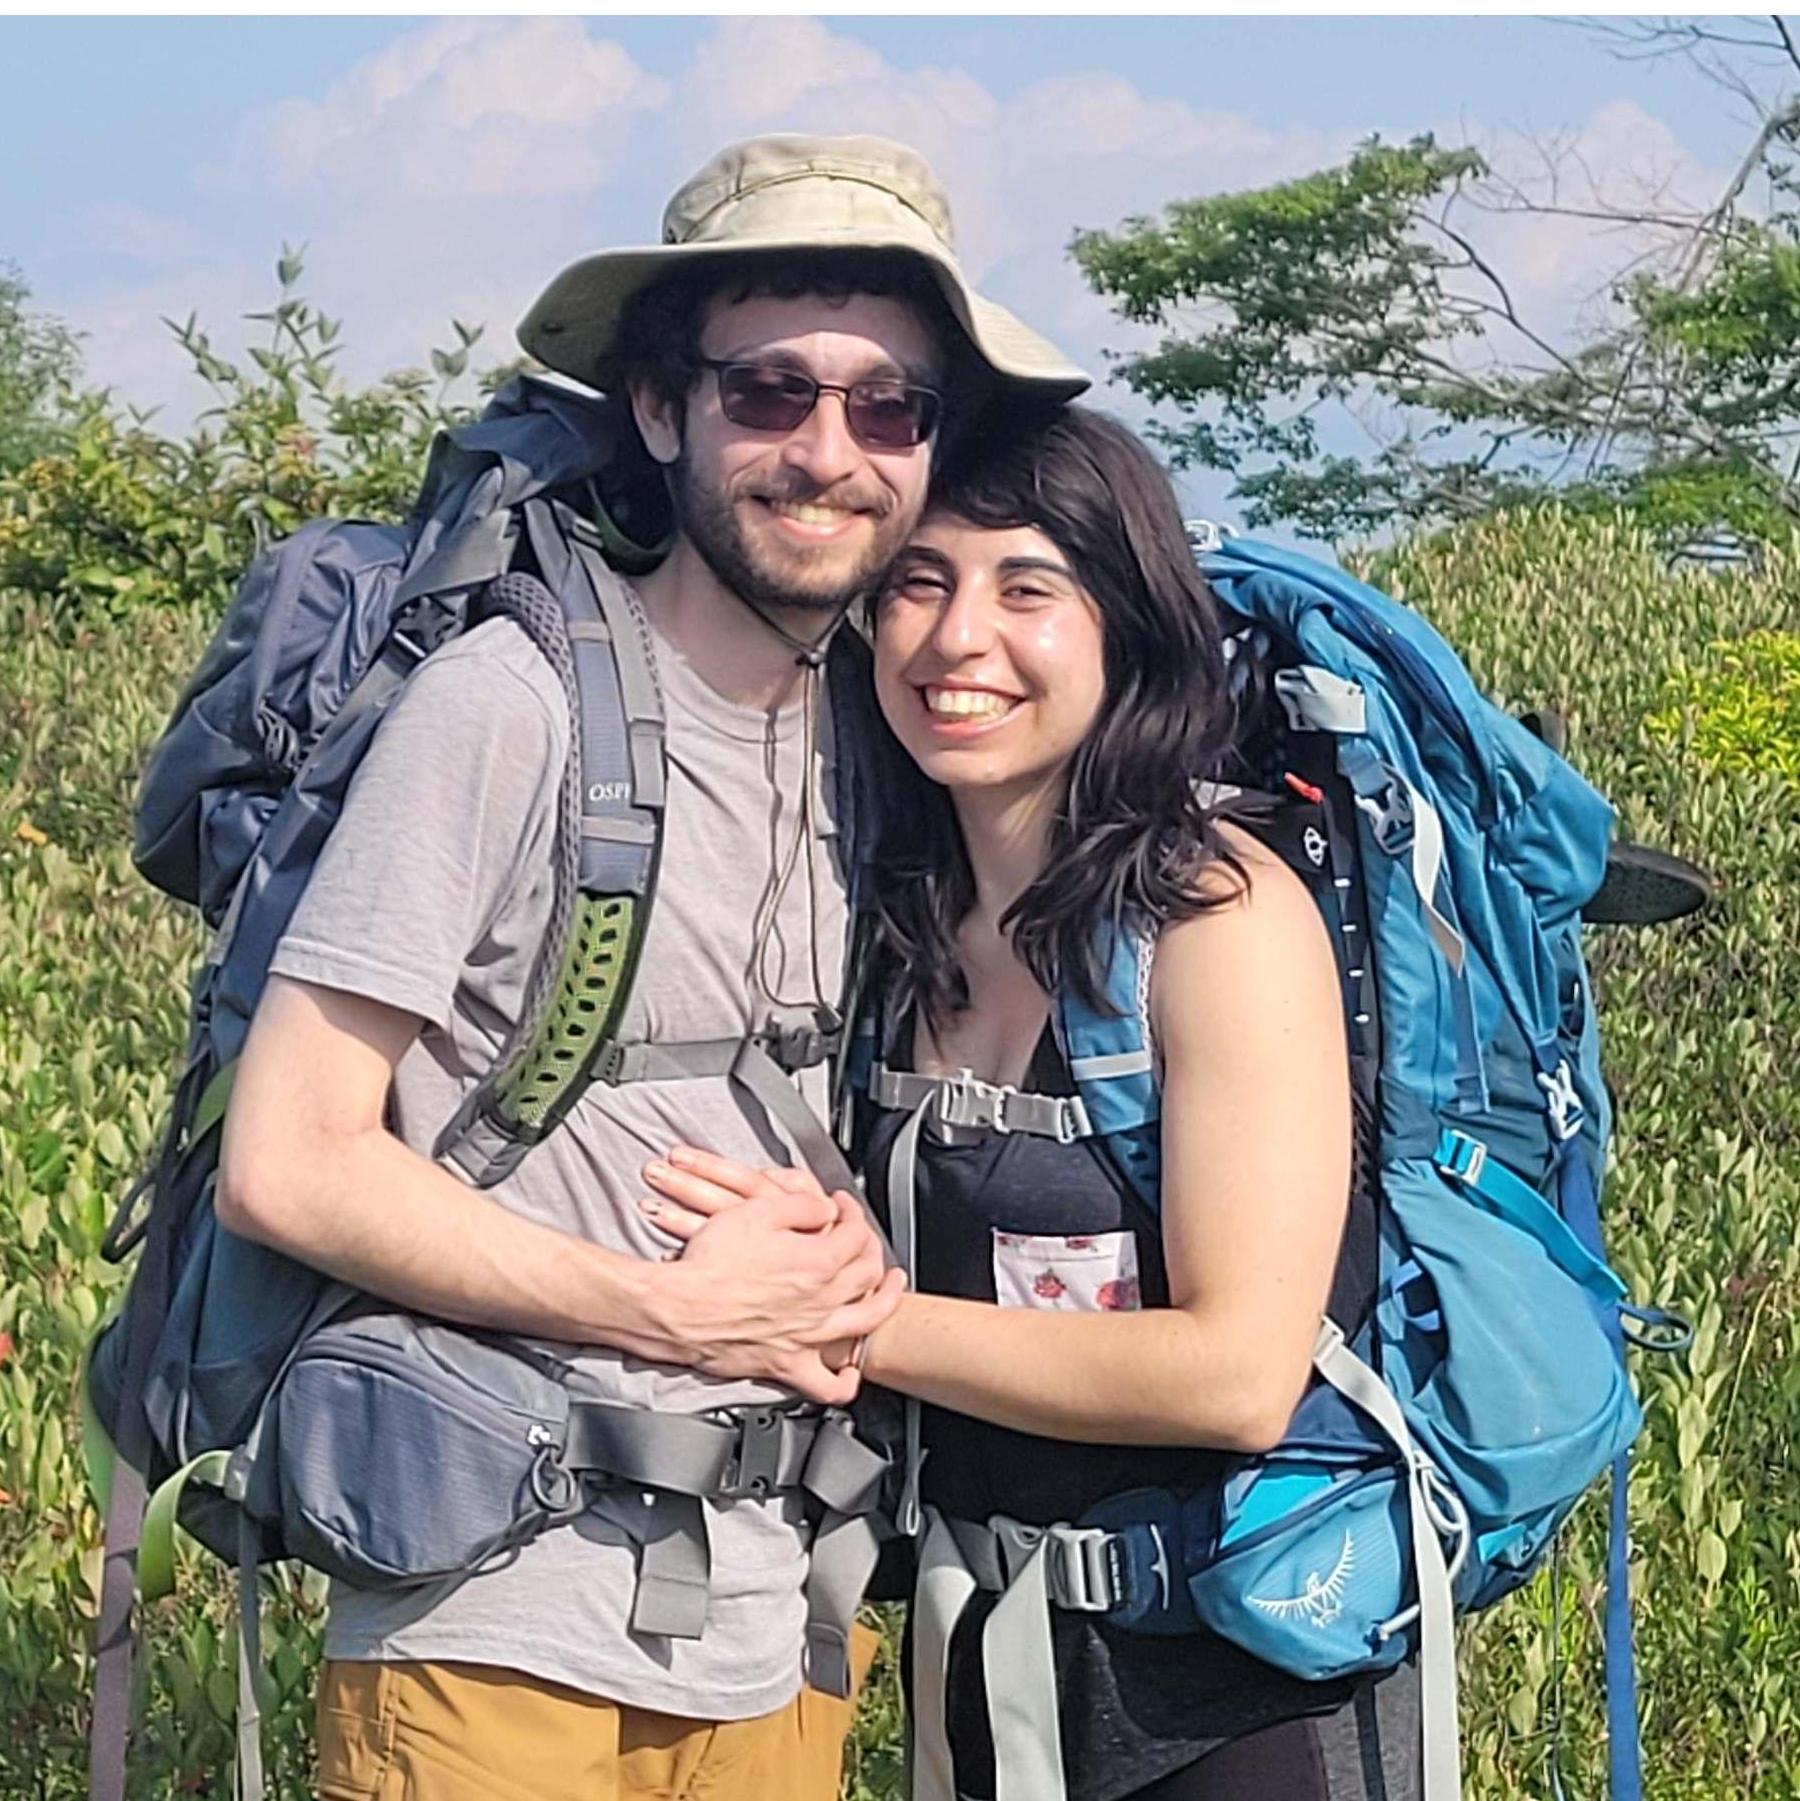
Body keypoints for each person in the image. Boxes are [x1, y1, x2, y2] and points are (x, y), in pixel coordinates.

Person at [212, 136, 1086, 1801]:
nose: (828, 451)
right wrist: (670, 1307)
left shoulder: (898, 731)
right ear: (662, 407)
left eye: (888, 405)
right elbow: (293, 1154)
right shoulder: (507, 704)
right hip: (495, 1620)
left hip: (793, 1612)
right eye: (771, 390)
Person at [641, 406, 1423, 1800]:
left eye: (1026, 587)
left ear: (1125, 630)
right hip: (987, 1656)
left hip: (1240, 1688)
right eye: (920, 583)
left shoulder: (1220, 921)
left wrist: (847, 1320)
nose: (956, 640)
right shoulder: (895, 927)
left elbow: (1240, 1373)